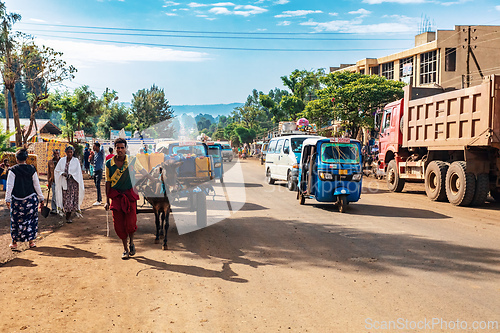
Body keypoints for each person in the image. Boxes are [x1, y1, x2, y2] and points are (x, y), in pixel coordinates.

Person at [105, 138, 152, 260]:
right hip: (116, 197)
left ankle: (131, 242)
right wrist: (106, 201)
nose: (120, 150)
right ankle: (125, 249)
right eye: (118, 148)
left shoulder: (132, 160)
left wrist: (152, 178)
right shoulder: (109, 164)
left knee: (131, 223)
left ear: (126, 148)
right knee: (119, 226)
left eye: (122, 148)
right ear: (114, 148)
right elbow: (107, 182)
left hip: (130, 196)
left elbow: (143, 172)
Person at [5, 148, 44, 250]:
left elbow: (10, 186)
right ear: (26, 158)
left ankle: (14, 242)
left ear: (16, 159)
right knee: (31, 220)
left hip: (17, 201)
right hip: (31, 200)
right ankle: (31, 242)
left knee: (16, 221)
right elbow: (36, 185)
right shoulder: (32, 169)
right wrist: (41, 198)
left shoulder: (12, 170)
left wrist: (7, 199)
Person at [54, 146, 85, 223]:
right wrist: (63, 173)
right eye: (68, 152)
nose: (69, 153)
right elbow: (57, 170)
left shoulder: (76, 161)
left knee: (70, 199)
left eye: (71, 152)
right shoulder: (62, 160)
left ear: (73, 152)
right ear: (66, 152)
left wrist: (71, 175)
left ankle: (68, 217)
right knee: (65, 199)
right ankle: (66, 213)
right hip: (64, 183)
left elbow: (78, 172)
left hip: (73, 184)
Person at [47, 149, 61, 214]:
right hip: (53, 181)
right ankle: (54, 208)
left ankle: (60, 208)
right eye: (55, 153)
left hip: (61, 181)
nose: (56, 155)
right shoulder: (50, 162)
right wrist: (49, 181)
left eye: (57, 153)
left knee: (60, 195)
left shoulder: (62, 161)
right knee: (54, 195)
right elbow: (49, 173)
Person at [92, 142, 105, 206]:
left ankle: (99, 200)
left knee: (98, 185)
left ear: (97, 147)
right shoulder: (95, 153)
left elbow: (102, 147)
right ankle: (99, 199)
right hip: (95, 170)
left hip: (99, 171)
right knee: (97, 186)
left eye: (94, 146)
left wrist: (100, 143)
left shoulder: (101, 152)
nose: (93, 147)